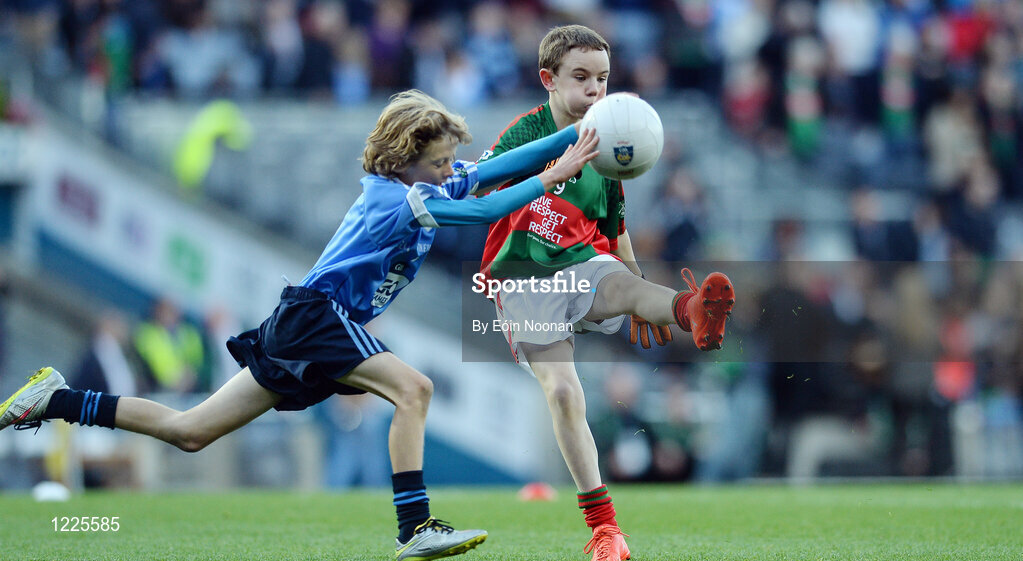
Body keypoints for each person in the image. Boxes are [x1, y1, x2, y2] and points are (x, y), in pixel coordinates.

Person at [1, 89, 600, 561]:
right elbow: (487, 206)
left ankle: (56, 400)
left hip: (303, 322)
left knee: (191, 429)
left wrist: (571, 134)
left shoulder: (422, 181)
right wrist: (559, 169)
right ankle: (415, 527)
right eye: (440, 163)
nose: (451, 171)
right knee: (415, 388)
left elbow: (495, 170)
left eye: (449, 162)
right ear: (405, 159)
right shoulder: (403, 197)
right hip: (317, 317)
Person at [475, 25, 735, 561]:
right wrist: (544, 170)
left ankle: (691, 310)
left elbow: (616, 234)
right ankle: (604, 528)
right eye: (581, 78)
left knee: (621, 283)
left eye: (603, 78)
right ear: (548, 80)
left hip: (583, 263)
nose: (595, 89)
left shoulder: (610, 148)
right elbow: (480, 184)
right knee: (566, 393)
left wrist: (639, 286)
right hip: (523, 276)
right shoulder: (528, 132)